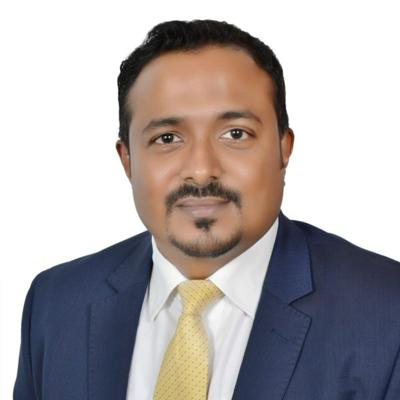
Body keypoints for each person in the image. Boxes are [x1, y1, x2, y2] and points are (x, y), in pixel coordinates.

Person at [14, 19, 400, 400]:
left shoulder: (386, 312)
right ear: (127, 159)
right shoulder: (55, 303)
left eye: (235, 134)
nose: (201, 170)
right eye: (167, 138)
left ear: (283, 149)